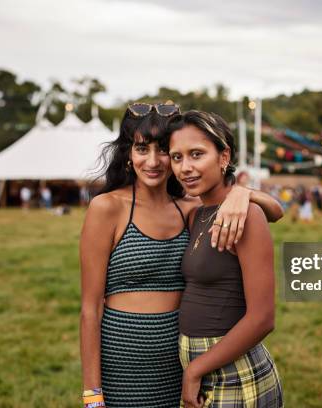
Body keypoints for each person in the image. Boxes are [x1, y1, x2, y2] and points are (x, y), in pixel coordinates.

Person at [80, 103, 283, 408]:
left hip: (179, 366)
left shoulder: (190, 210)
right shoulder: (106, 209)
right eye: (141, 148)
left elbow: (275, 212)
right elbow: (90, 308)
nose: (153, 161)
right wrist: (92, 395)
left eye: (163, 150)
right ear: (128, 154)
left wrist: (243, 193)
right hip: (122, 362)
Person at [167, 110, 283, 408]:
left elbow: (263, 318)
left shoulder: (245, 216)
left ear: (223, 157)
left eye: (196, 154)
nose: (185, 167)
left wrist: (195, 369)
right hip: (203, 371)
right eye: (177, 157)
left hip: (234, 372)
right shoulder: (196, 213)